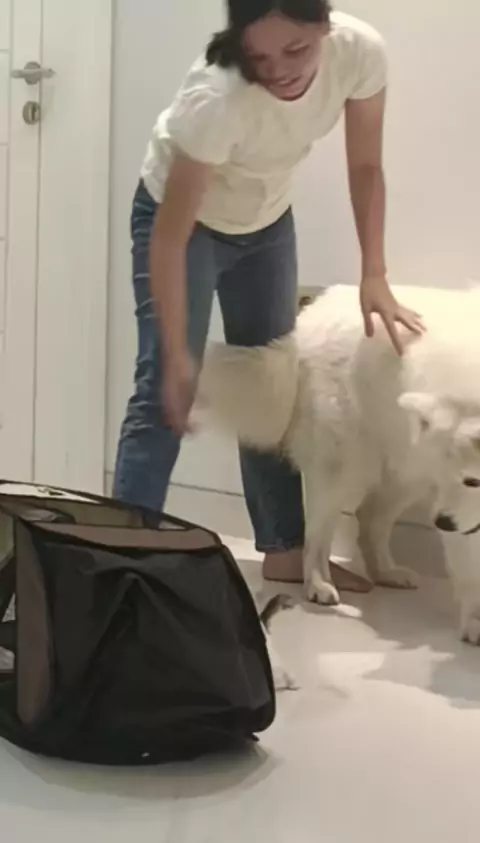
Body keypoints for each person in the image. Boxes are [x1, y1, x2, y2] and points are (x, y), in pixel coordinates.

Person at [113, 0, 424, 585]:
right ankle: (119, 569)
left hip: (266, 222)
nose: (278, 70)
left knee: (274, 382)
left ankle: (285, 549)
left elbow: (365, 167)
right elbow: (171, 235)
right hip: (185, 224)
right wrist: (178, 354)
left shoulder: (360, 52)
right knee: (163, 390)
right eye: (259, 56)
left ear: (324, 27)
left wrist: (374, 273)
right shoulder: (216, 96)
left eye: (295, 50)